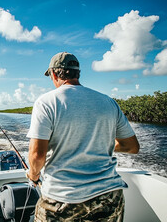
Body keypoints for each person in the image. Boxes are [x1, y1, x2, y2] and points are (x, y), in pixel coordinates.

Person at [26, 52, 140, 222]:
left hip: (62, 200)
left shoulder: (46, 102)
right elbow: (132, 146)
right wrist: (99, 143)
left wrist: (33, 176)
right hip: (109, 197)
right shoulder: (108, 102)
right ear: (77, 73)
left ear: (55, 74)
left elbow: (37, 155)